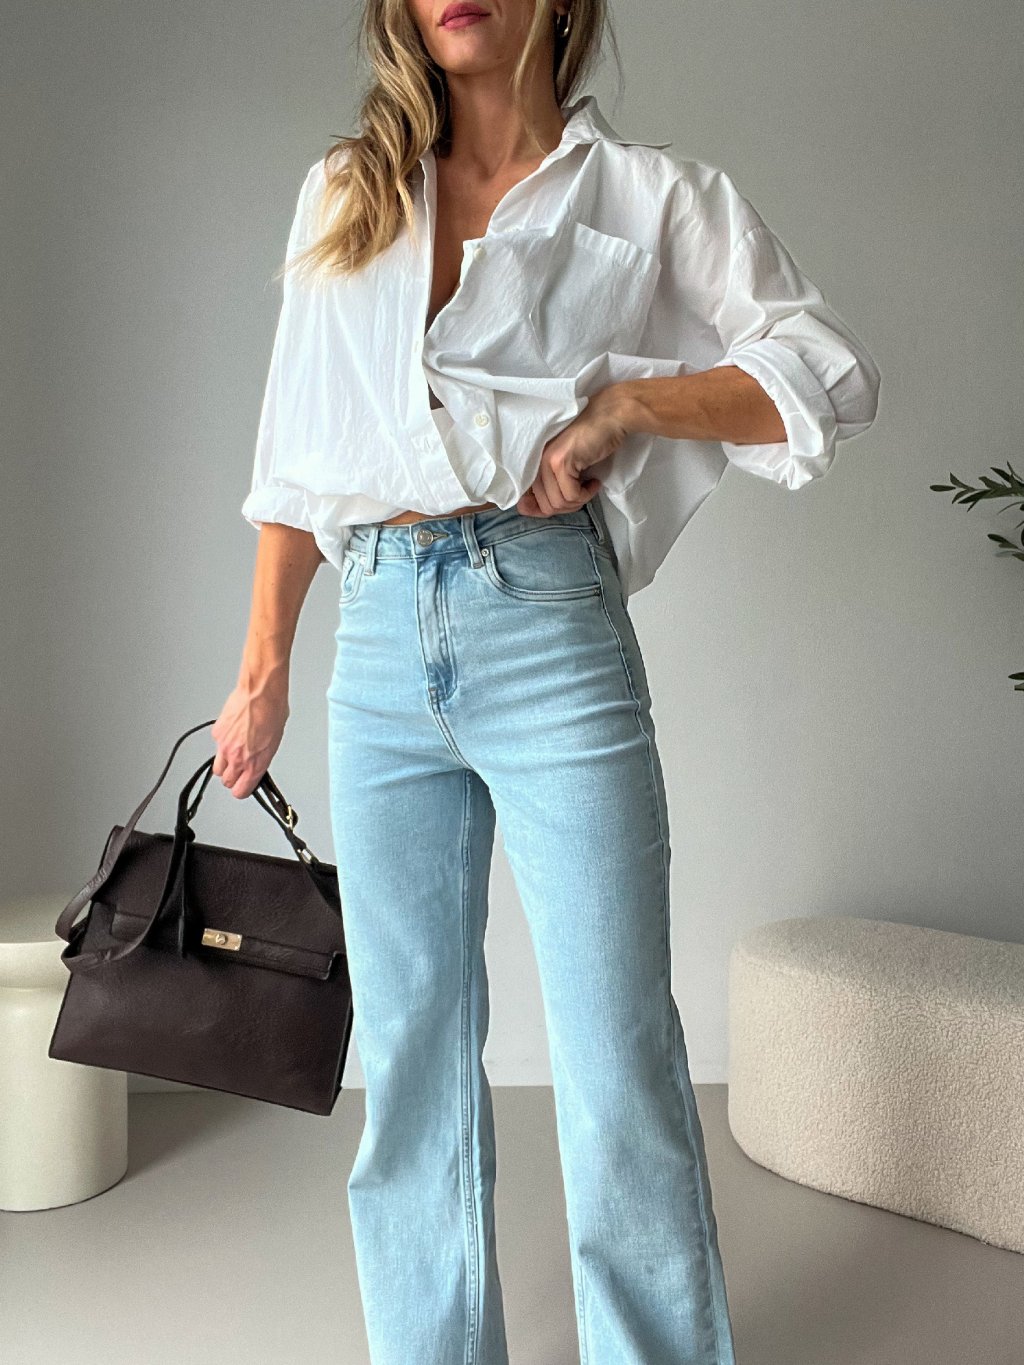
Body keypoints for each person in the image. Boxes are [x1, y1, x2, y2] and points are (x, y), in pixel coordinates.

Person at [212, 2, 881, 1361]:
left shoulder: (647, 196)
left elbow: (825, 372)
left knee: (615, 1046)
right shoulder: (348, 191)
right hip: (379, 637)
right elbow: (297, 451)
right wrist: (262, 667)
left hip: (549, 627)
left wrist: (631, 407)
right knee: (410, 1057)